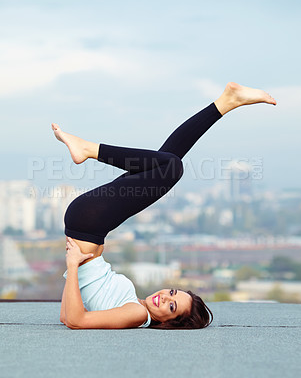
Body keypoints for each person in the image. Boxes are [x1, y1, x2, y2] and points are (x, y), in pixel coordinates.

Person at [53, 82, 277, 330]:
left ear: (168, 322)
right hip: (89, 225)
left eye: (171, 307)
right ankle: (226, 102)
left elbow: (74, 320)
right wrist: (72, 268)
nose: (165, 298)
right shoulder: (134, 304)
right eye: (173, 293)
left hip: (88, 222)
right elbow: (66, 315)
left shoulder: (137, 314)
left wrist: (73, 265)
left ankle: (88, 148)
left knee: (170, 168)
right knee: (167, 161)